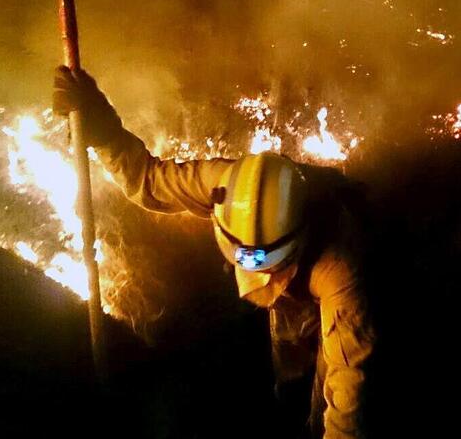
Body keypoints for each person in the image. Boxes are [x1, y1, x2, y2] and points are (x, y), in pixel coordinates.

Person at [53, 66, 374, 439]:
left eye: (262, 260)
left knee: (327, 388)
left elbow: (350, 392)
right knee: (290, 366)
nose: (252, 266)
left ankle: (308, 419)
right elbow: (149, 179)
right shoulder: (230, 187)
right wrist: (103, 129)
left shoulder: (340, 271)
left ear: (296, 241)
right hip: (292, 274)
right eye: (244, 256)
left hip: (332, 280)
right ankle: (288, 408)